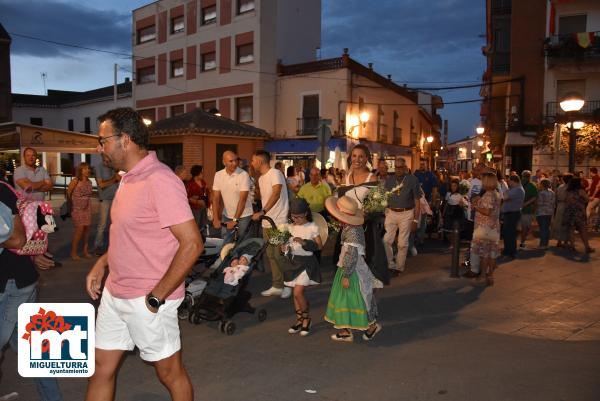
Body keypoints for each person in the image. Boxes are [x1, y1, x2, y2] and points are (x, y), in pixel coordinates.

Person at [85, 107, 203, 401]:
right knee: (101, 368)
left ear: (124, 139)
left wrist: (155, 297)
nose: (99, 148)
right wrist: (102, 262)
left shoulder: (160, 179)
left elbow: (192, 244)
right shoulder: (128, 177)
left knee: (170, 374)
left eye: (103, 141)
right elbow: (128, 235)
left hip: (147, 299)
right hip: (115, 294)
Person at [0, 179, 63, 401]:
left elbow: (15, 238)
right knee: (34, 351)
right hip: (22, 280)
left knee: (33, 350)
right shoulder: (4, 187)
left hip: (9, 286)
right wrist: (34, 254)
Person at [324, 196, 382, 342]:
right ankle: (345, 329)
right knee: (346, 299)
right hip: (348, 268)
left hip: (352, 271)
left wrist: (346, 275)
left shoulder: (353, 232)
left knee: (357, 299)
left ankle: (371, 326)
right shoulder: (351, 228)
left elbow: (351, 254)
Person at [337, 144, 389, 284]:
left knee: (367, 268)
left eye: (361, 156)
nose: (357, 159)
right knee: (348, 264)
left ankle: (366, 301)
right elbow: (340, 202)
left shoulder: (372, 178)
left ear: (366, 158)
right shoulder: (346, 179)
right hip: (348, 227)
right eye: (354, 156)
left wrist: (365, 214)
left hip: (367, 229)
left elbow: (380, 206)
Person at [250, 150, 291, 299]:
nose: (251, 163)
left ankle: (283, 285)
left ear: (260, 161)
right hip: (267, 221)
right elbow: (266, 196)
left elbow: (276, 193)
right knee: (271, 255)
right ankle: (278, 284)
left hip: (279, 222)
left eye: (253, 160)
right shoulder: (261, 178)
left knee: (278, 254)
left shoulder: (275, 173)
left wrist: (263, 211)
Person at [280, 198, 322, 337]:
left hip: (307, 263)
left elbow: (319, 246)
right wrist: (284, 248)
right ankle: (299, 320)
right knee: (295, 294)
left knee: (298, 292)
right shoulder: (290, 227)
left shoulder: (312, 227)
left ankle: (306, 319)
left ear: (305, 213)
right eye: (292, 216)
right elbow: (286, 248)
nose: (295, 219)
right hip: (293, 262)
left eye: (298, 216)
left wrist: (304, 242)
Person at [383, 156, 421, 274]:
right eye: (396, 167)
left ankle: (399, 267)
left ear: (405, 168)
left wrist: (415, 220)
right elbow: (385, 197)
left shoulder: (412, 180)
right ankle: (390, 263)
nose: (398, 169)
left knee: (402, 243)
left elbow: (417, 201)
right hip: (391, 212)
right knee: (386, 240)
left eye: (401, 167)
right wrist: (385, 209)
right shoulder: (389, 180)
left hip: (407, 213)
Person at [212, 151, 253, 242]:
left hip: (244, 215)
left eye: (236, 160)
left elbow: (242, 199)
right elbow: (215, 198)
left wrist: (235, 220)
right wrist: (215, 218)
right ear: (224, 162)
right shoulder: (218, 175)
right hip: (227, 215)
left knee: (243, 243)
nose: (234, 163)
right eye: (231, 161)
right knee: (226, 243)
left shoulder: (243, 175)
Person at [471, 173, 501, 286]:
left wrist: (476, 206)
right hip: (494, 227)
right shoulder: (496, 194)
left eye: (483, 180)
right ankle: (490, 276)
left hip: (485, 228)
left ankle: (483, 276)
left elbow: (487, 211)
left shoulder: (488, 195)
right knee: (492, 253)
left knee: (484, 254)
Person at [93, 158, 120, 256]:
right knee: (102, 225)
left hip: (116, 198)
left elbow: (119, 180)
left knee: (115, 224)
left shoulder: (113, 166)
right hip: (104, 199)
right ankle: (97, 247)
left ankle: (114, 246)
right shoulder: (99, 167)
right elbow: (101, 184)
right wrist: (114, 179)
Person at [68, 162, 94, 260]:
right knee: (79, 230)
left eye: (88, 168)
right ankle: (73, 252)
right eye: (85, 169)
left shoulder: (90, 182)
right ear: (80, 170)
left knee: (87, 230)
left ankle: (85, 251)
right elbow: (69, 193)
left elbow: (89, 195)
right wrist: (70, 207)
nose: (88, 170)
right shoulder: (75, 181)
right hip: (77, 208)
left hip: (87, 208)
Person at [563, 177, 594, 254]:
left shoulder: (568, 191)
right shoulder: (581, 191)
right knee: (583, 230)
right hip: (579, 212)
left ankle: (572, 246)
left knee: (571, 230)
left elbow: (565, 201)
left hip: (570, 212)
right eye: (581, 182)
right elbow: (587, 199)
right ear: (578, 183)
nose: (582, 183)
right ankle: (587, 247)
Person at [500, 175, 525, 260]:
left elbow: (505, 197)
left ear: (513, 181)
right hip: (510, 213)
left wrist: (506, 193)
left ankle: (510, 252)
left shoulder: (517, 189)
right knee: (508, 233)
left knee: (509, 234)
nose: (508, 183)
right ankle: (508, 250)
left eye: (509, 181)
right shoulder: (514, 189)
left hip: (512, 214)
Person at [186, 165, 210, 233]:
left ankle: (203, 239)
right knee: (196, 225)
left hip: (203, 207)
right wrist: (197, 201)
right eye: (201, 172)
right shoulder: (190, 184)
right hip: (195, 209)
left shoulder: (203, 182)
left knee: (204, 225)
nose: (203, 174)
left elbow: (206, 192)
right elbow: (187, 198)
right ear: (197, 173)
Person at [551, 173, 573, 248]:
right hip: (567, 206)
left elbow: (556, 196)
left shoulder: (560, 186)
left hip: (560, 206)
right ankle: (566, 241)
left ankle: (559, 241)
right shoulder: (570, 188)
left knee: (559, 222)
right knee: (566, 223)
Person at [519, 170, 538, 248]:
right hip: (527, 209)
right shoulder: (532, 185)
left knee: (516, 227)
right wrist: (526, 204)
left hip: (515, 208)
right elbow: (535, 198)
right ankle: (522, 242)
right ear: (529, 176)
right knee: (525, 227)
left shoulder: (517, 184)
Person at [536, 178, 555, 250]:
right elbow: (553, 203)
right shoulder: (552, 192)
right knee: (547, 228)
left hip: (542, 212)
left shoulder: (541, 193)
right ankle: (546, 243)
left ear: (542, 185)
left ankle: (542, 244)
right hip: (549, 212)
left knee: (542, 229)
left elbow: (539, 203)